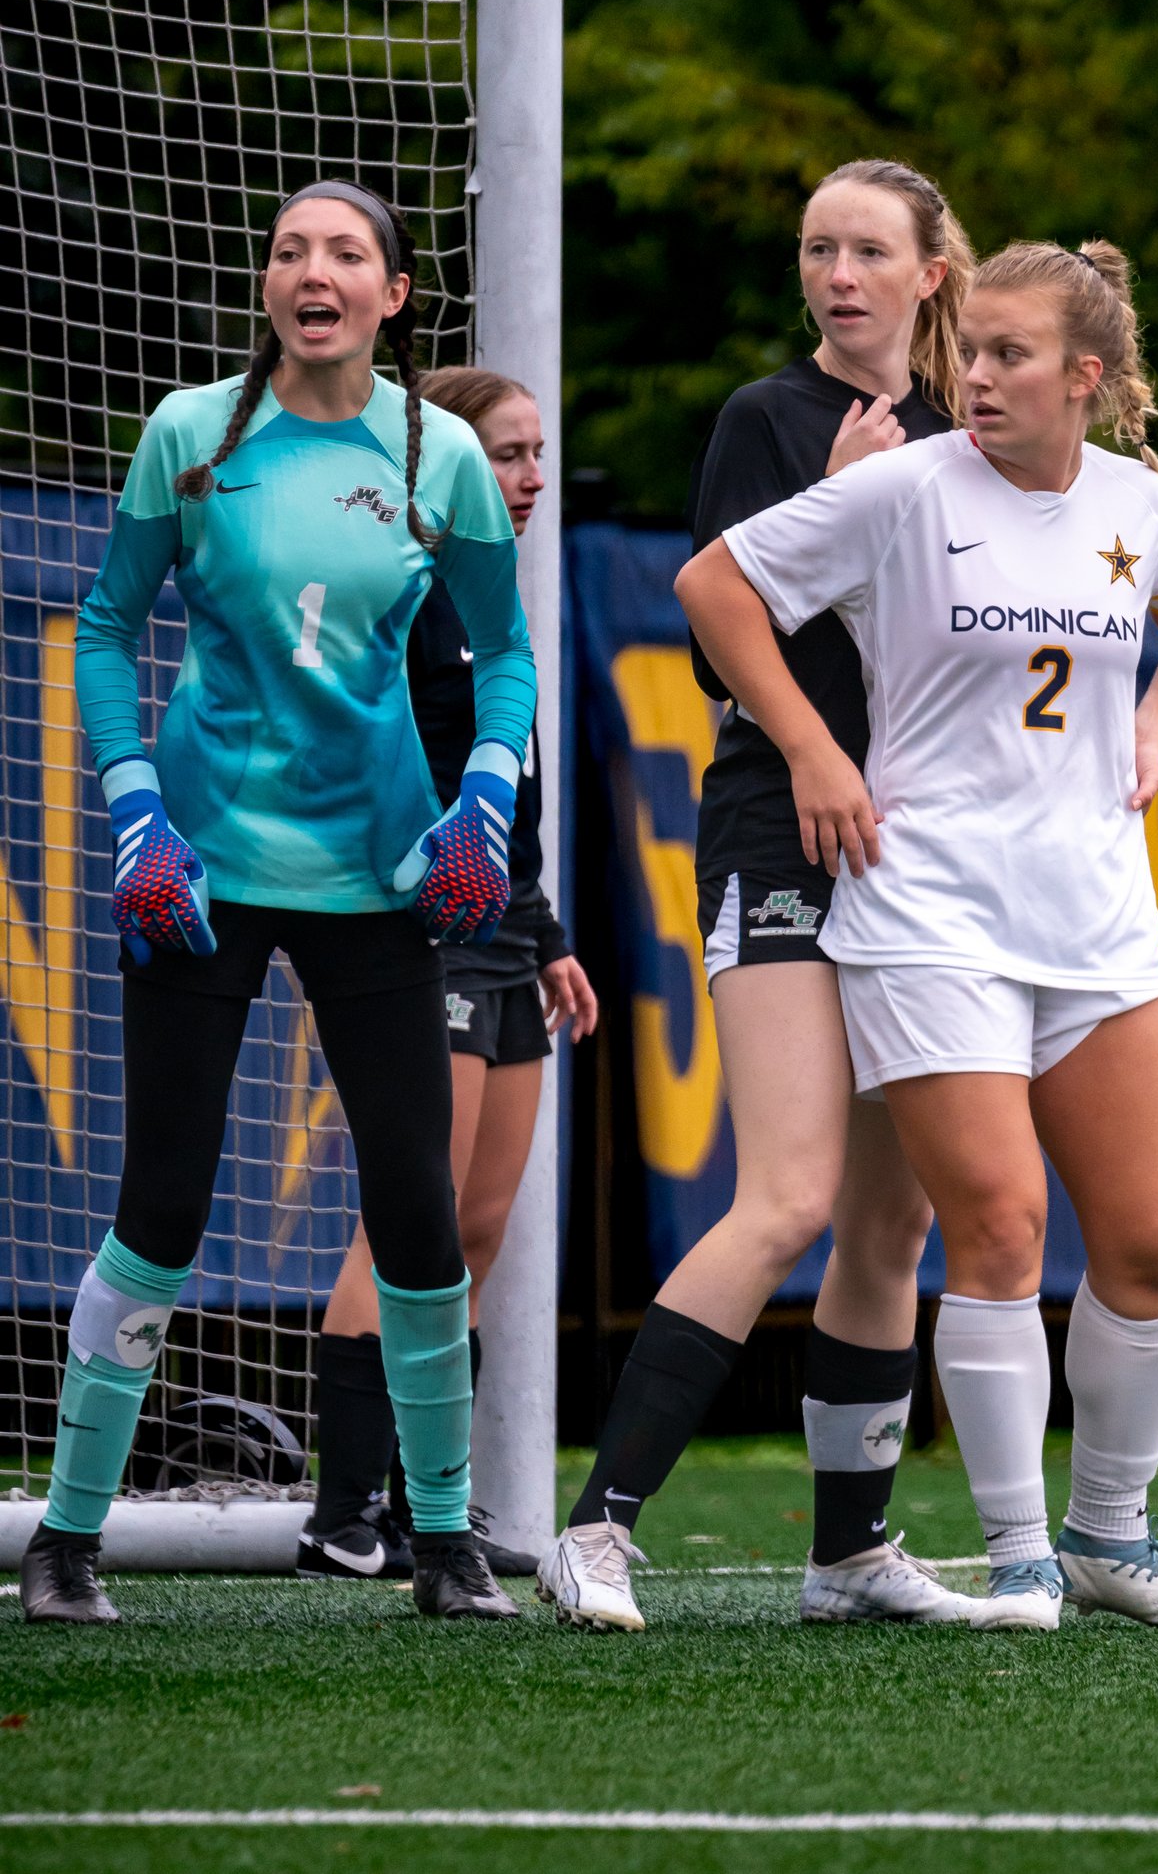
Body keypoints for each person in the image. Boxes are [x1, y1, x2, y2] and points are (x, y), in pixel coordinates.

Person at [675, 236, 1158, 1634]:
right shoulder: (902, 485)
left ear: (1087, 376)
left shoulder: (1139, 504)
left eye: (1007, 355)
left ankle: (1113, 1532)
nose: (976, 376)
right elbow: (714, 587)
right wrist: (813, 746)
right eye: (971, 350)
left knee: (1151, 1244)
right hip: (929, 912)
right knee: (998, 1223)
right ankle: (1018, 1559)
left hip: (1096, 915)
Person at [21, 180, 535, 1627]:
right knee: (164, 1203)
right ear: (269, 285)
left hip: (377, 875)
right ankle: (66, 1540)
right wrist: (133, 811)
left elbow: (507, 657)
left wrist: (482, 794)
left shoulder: (444, 460)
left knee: (422, 1213)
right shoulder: (191, 434)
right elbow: (111, 628)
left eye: (346, 251)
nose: (315, 270)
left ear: (393, 291)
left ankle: (441, 1542)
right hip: (196, 871)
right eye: (292, 249)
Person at [538, 160, 973, 1631]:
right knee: (785, 1189)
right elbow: (728, 637)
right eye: (815, 248)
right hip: (783, 821)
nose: (838, 273)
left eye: (867, 250)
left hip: (926, 852)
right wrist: (815, 729)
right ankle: (594, 1527)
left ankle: (848, 1551)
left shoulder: (978, 432)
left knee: (891, 1216)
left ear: (930, 270)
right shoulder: (769, 421)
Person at [302, 365, 596, 1582]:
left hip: (506, 932)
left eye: (537, 454)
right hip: (422, 922)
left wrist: (549, 930)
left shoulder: (494, 586)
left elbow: (507, 796)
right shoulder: (404, 585)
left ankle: (436, 1500)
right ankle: (340, 1512)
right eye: (508, 453)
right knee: (406, 1216)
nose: (529, 477)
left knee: (476, 1227)